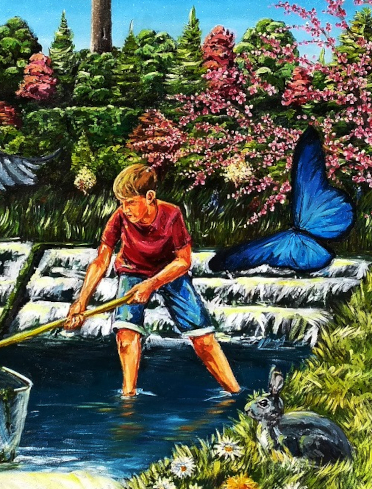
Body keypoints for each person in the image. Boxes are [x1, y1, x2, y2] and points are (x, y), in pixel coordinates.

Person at [64, 164, 242, 397]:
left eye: (130, 202)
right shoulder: (120, 216)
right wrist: (81, 302)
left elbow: (183, 261)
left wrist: (152, 284)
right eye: (121, 203)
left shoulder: (172, 214)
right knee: (126, 334)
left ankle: (234, 392)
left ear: (149, 197)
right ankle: (128, 396)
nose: (125, 209)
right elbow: (101, 259)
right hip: (132, 270)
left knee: (203, 338)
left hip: (169, 272)